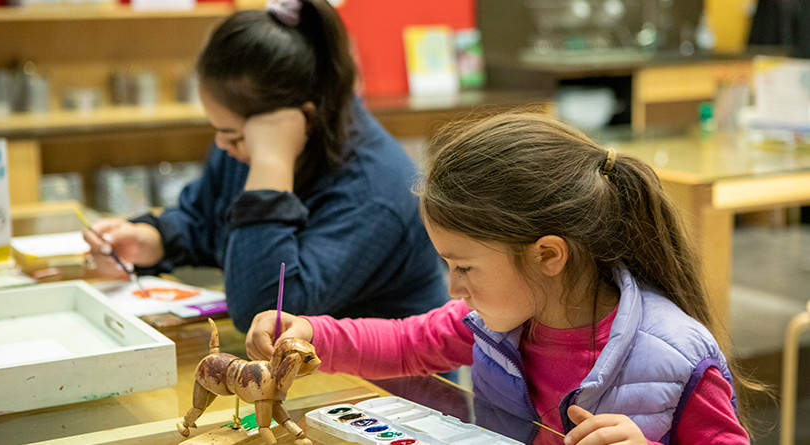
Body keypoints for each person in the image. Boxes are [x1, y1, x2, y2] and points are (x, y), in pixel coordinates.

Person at [244, 113, 755, 444]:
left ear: (548, 255)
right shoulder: (494, 320)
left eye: (464, 267)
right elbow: (404, 343)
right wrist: (310, 332)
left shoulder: (677, 355)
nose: (452, 288)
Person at [82, 0, 448, 332]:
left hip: (383, 391)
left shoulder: (374, 193)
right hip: (299, 372)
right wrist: (153, 240)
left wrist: (270, 166)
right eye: (218, 131)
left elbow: (265, 312)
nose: (223, 145)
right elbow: (207, 220)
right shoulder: (247, 145)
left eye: (233, 134)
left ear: (295, 120)